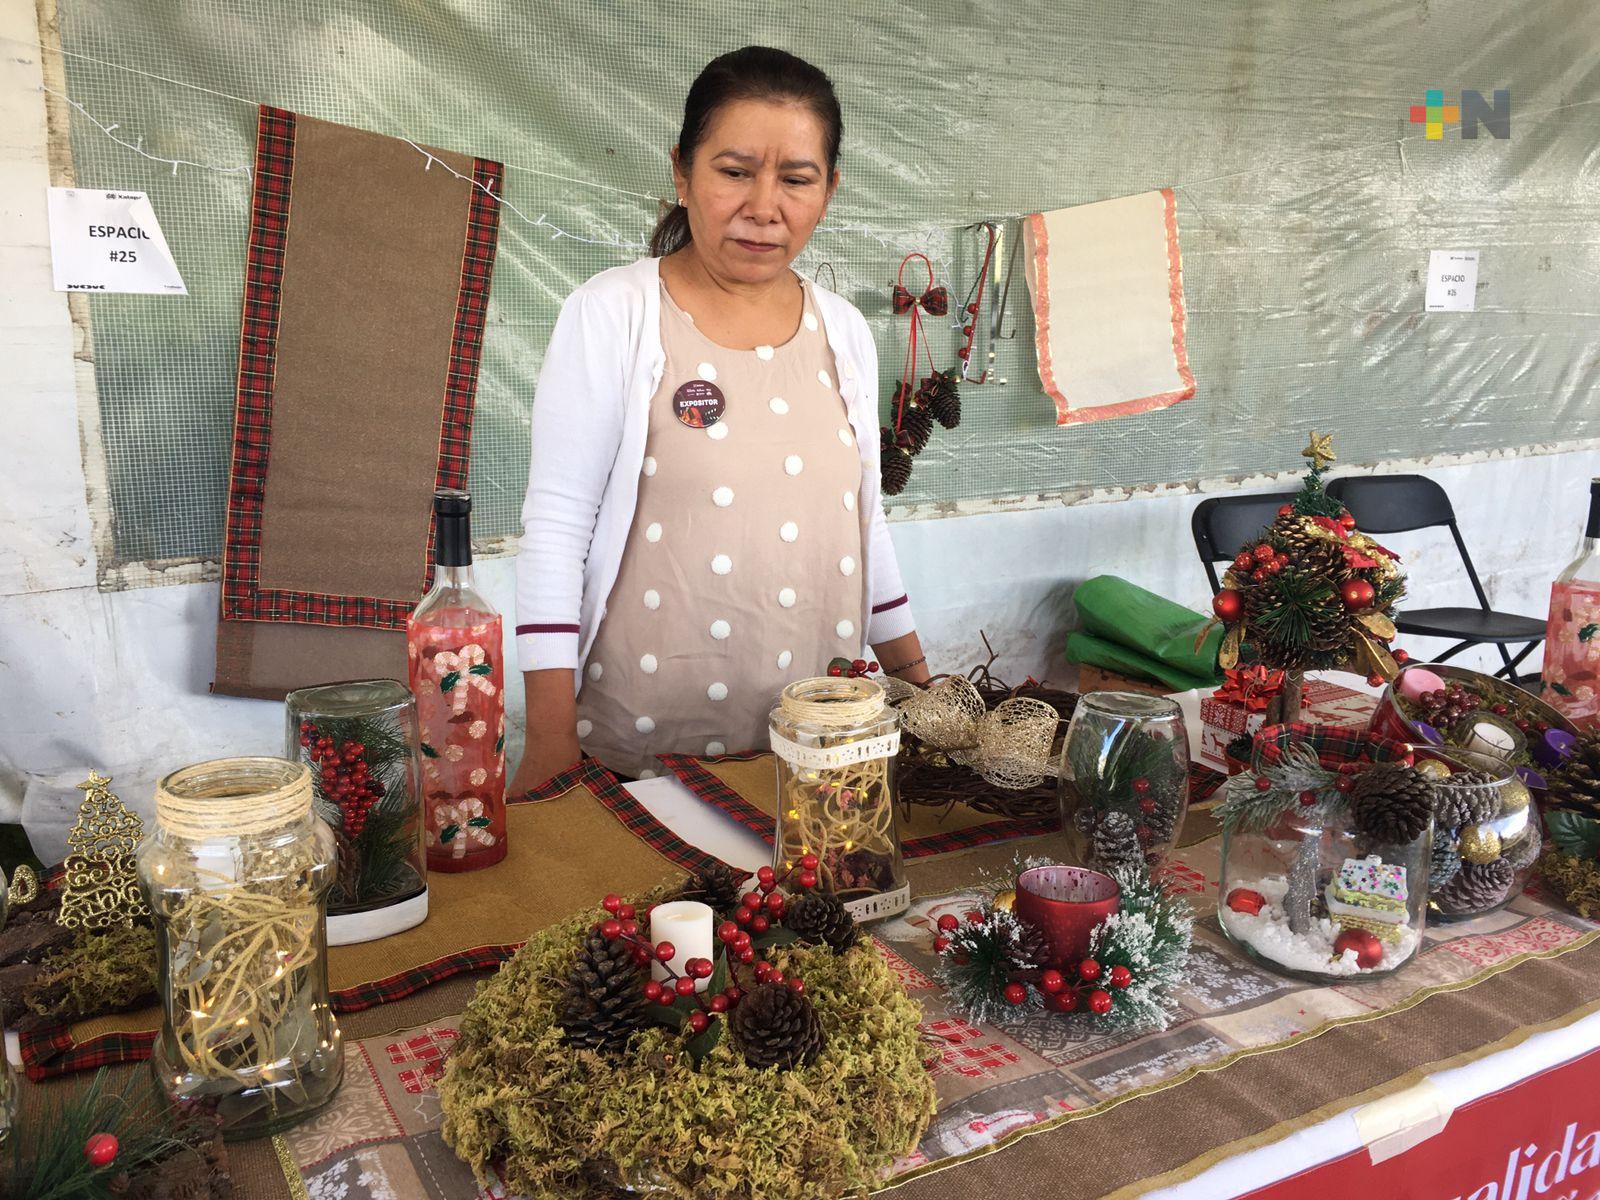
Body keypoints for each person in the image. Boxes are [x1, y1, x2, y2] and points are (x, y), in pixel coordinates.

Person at [509, 45, 930, 792]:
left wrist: (927, 694)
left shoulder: (843, 331)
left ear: (829, 189)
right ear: (681, 173)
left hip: (819, 755)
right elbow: (558, 528)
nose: (764, 207)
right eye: (734, 172)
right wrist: (548, 745)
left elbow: (860, 526)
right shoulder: (614, 314)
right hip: (639, 758)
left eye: (796, 179)